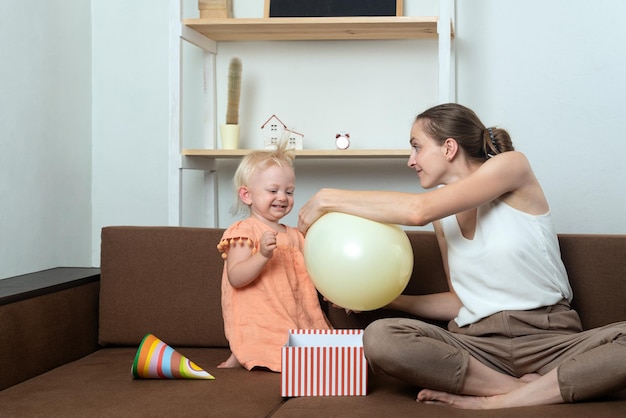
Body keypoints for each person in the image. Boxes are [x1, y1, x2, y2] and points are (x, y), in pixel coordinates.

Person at [298, 103, 626, 409]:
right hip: (478, 348)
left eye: (417, 146)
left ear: (449, 148)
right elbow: (459, 301)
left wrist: (327, 198)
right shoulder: (444, 218)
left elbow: (416, 211)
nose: (411, 160)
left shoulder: (512, 166)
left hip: (550, 340)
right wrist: (384, 300)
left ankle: (494, 401)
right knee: (381, 336)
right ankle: (520, 389)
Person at [217, 143, 330, 372]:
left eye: (289, 191)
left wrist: (337, 294)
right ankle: (241, 353)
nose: (283, 197)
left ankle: (246, 355)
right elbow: (236, 277)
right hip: (262, 317)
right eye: (273, 190)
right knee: (268, 341)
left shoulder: (297, 236)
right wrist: (262, 255)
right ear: (247, 195)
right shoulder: (245, 231)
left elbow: (317, 272)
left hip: (298, 314)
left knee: (321, 354)